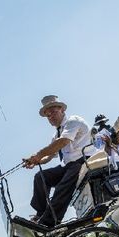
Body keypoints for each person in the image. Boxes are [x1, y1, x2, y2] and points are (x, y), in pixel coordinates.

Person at [23, 95, 94, 227]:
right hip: (69, 165)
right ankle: (40, 214)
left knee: (62, 187)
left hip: (83, 161)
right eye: (48, 115)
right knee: (41, 177)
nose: (51, 117)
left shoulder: (73, 121)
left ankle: (49, 223)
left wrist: (38, 154)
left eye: (54, 112)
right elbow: (49, 156)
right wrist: (35, 161)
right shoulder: (57, 134)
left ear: (62, 110)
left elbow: (63, 142)